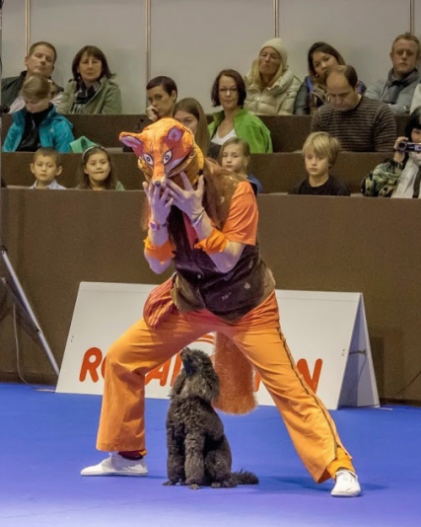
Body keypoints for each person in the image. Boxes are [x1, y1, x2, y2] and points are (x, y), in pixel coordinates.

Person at [81, 118, 361, 498]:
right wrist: (160, 222)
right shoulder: (157, 193)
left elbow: (229, 260)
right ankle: (129, 456)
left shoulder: (237, 191)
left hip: (247, 307)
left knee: (289, 388)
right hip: (192, 300)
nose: (164, 179)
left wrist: (197, 216)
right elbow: (157, 263)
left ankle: (339, 466)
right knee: (120, 358)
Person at [311, 65, 396, 152]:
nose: (338, 101)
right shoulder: (322, 115)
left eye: (343, 95)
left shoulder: (379, 113)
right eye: (332, 95)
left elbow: (384, 158)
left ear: (357, 87)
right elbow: (317, 154)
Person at [208, 69, 272, 159]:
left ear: (240, 92)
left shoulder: (252, 124)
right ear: (217, 93)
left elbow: (257, 164)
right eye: (223, 89)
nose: (228, 94)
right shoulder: (211, 127)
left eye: (233, 89)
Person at [2, 75, 74, 153]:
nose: (29, 107)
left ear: (48, 97)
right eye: (26, 102)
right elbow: (5, 155)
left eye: (34, 102)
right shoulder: (18, 123)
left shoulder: (60, 126)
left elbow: (65, 158)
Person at [361, 106, 421, 198]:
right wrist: (396, 162)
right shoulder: (401, 160)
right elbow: (368, 191)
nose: (420, 138)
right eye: (417, 132)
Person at [294, 42, 366, 115]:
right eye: (317, 64)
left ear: (337, 59)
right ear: (314, 71)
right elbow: (299, 114)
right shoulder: (308, 84)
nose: (323, 66)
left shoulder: (356, 85)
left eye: (326, 59)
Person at [57, 45, 122, 114]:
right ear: (78, 69)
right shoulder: (71, 86)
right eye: (85, 62)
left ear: (102, 67)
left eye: (94, 62)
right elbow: (60, 115)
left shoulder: (111, 90)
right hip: (67, 125)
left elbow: (108, 122)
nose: (90, 66)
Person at [366, 33, 420, 115]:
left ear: (417, 59)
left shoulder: (419, 89)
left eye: (409, 53)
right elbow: (367, 109)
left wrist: (379, 108)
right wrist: (405, 109)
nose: (404, 57)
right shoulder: (377, 87)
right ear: (392, 57)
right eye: (399, 52)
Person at [244, 38, 301, 116]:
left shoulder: (291, 86)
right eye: (264, 55)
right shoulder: (247, 82)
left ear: (281, 64)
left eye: (273, 57)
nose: (267, 59)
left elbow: (284, 120)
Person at [1, 41, 63, 112]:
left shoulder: (59, 95)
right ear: (26, 60)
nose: (43, 61)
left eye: (48, 59)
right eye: (38, 56)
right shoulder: (3, 85)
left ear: (52, 69)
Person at [123, 76, 178, 153]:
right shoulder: (149, 120)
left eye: (158, 97)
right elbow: (128, 149)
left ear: (173, 96)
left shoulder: (185, 119)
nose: (154, 103)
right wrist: (151, 124)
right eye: (150, 99)